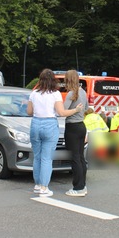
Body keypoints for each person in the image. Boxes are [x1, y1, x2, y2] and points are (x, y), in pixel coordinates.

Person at [27, 69, 82, 197]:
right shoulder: (55, 94)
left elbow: (29, 111)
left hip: (35, 124)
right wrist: (76, 110)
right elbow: (61, 113)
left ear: (40, 80)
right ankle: (44, 187)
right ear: (53, 80)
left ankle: (37, 185)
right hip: (49, 124)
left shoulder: (34, 93)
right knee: (47, 158)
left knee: (37, 157)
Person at [63, 70, 88, 197]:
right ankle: (83, 185)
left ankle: (78, 188)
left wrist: (74, 110)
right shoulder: (83, 92)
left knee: (75, 158)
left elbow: (63, 111)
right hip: (81, 126)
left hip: (72, 127)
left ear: (68, 80)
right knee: (81, 157)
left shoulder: (71, 94)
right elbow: (87, 108)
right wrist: (78, 111)